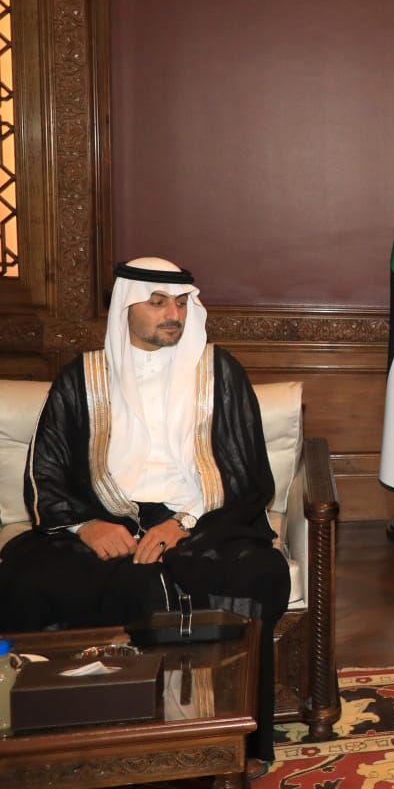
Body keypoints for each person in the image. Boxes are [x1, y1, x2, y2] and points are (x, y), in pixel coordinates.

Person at [0, 258, 290, 776]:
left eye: (180, 303)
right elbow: (46, 470)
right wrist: (86, 526)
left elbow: (247, 472)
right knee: (31, 579)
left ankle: (228, 739)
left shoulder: (219, 372)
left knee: (254, 573)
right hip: (104, 513)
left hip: (203, 517)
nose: (172, 314)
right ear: (125, 308)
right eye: (157, 303)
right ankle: (66, 737)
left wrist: (183, 524)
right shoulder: (82, 377)